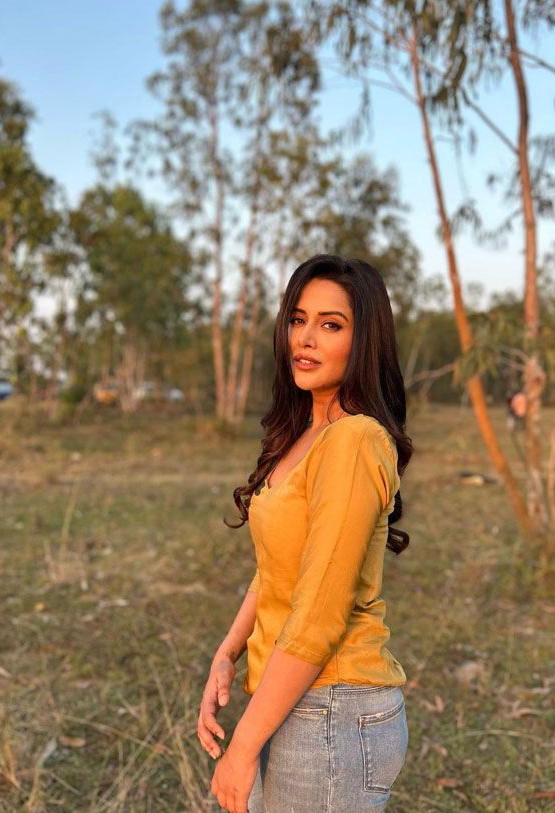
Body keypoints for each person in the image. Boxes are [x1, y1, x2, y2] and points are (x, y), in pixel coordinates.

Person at [197, 254, 413, 813]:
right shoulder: (305, 434)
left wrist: (242, 747)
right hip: (289, 696)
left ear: (364, 341)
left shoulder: (355, 440)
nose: (306, 338)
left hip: (332, 709)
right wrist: (228, 652)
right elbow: (277, 570)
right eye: (298, 319)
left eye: (330, 324)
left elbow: (319, 612)